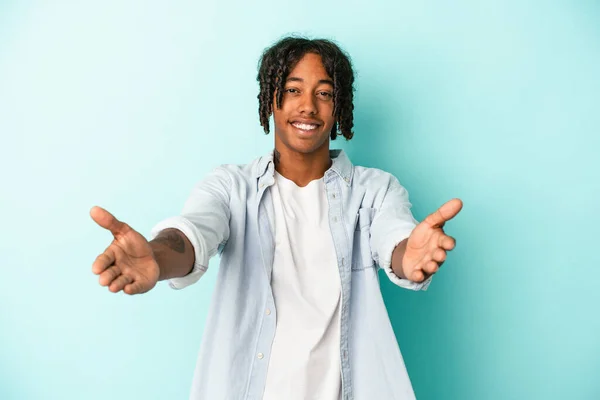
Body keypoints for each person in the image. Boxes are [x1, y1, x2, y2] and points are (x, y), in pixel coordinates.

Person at [90, 36, 463, 400]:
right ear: (271, 99)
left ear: (340, 106)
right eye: (293, 90)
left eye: (325, 93)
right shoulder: (231, 187)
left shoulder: (375, 190)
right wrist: (156, 256)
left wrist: (409, 257)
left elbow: (394, 238)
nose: (308, 107)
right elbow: (192, 234)